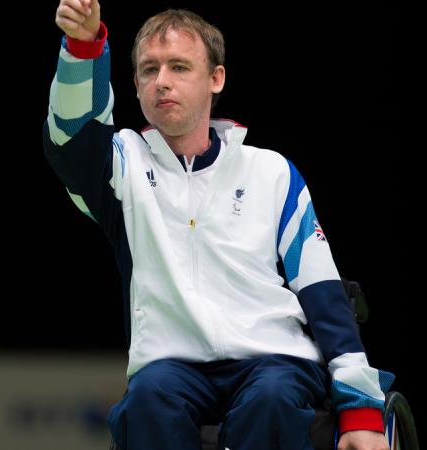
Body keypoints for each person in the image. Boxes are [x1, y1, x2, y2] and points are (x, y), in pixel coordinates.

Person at [44, 1, 393, 449]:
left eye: (179, 66)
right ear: (134, 85)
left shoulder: (272, 172)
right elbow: (70, 133)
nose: (162, 81)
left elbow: (324, 294)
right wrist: (83, 48)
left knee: (273, 397)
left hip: (275, 359)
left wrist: (361, 411)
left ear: (216, 78)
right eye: (149, 70)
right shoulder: (122, 165)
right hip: (170, 366)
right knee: (147, 399)